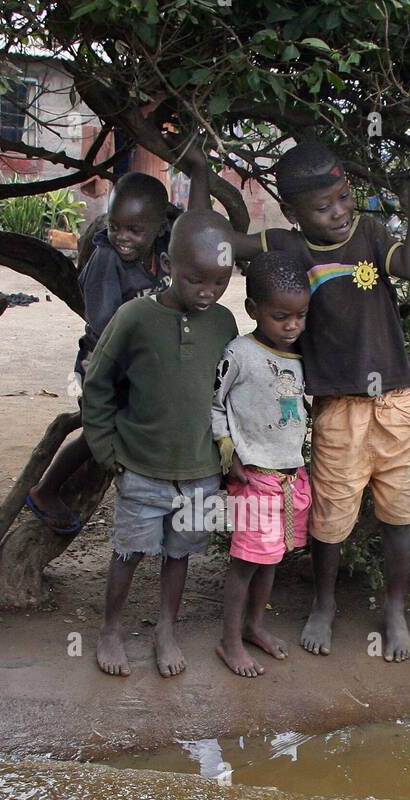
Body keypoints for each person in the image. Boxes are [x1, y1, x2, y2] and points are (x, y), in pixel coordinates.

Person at [185, 139, 410, 662]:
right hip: (336, 408)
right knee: (330, 518)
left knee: (401, 515)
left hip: (398, 401)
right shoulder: (286, 246)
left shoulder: (371, 234)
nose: (338, 213)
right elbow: (210, 245)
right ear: (292, 212)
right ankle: (323, 604)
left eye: (343, 198)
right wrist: (198, 176)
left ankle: (394, 609)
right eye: (323, 207)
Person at [82, 210, 238, 677]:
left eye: (219, 282)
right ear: (168, 264)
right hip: (141, 469)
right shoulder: (135, 317)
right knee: (128, 552)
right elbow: (98, 383)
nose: (207, 292)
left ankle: (165, 629)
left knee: (180, 555)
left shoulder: (223, 324)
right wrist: (106, 451)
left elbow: (225, 393)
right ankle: (111, 629)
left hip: (201, 473)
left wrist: (229, 458)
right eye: (195, 280)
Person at [27, 172, 174, 533]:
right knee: (99, 433)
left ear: (159, 227)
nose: (122, 238)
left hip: (140, 362)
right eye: (115, 227)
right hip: (103, 361)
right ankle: (45, 490)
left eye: (134, 230)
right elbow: (104, 327)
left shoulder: (165, 250)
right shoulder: (107, 261)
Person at [212, 252, 312, 677]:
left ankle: (254, 626)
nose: (292, 325)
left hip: (291, 475)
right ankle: (229, 640)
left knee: (272, 557)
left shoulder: (301, 357)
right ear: (253, 310)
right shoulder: (239, 353)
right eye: (280, 316)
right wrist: (226, 450)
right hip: (253, 475)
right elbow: (214, 404)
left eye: (300, 316)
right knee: (246, 561)